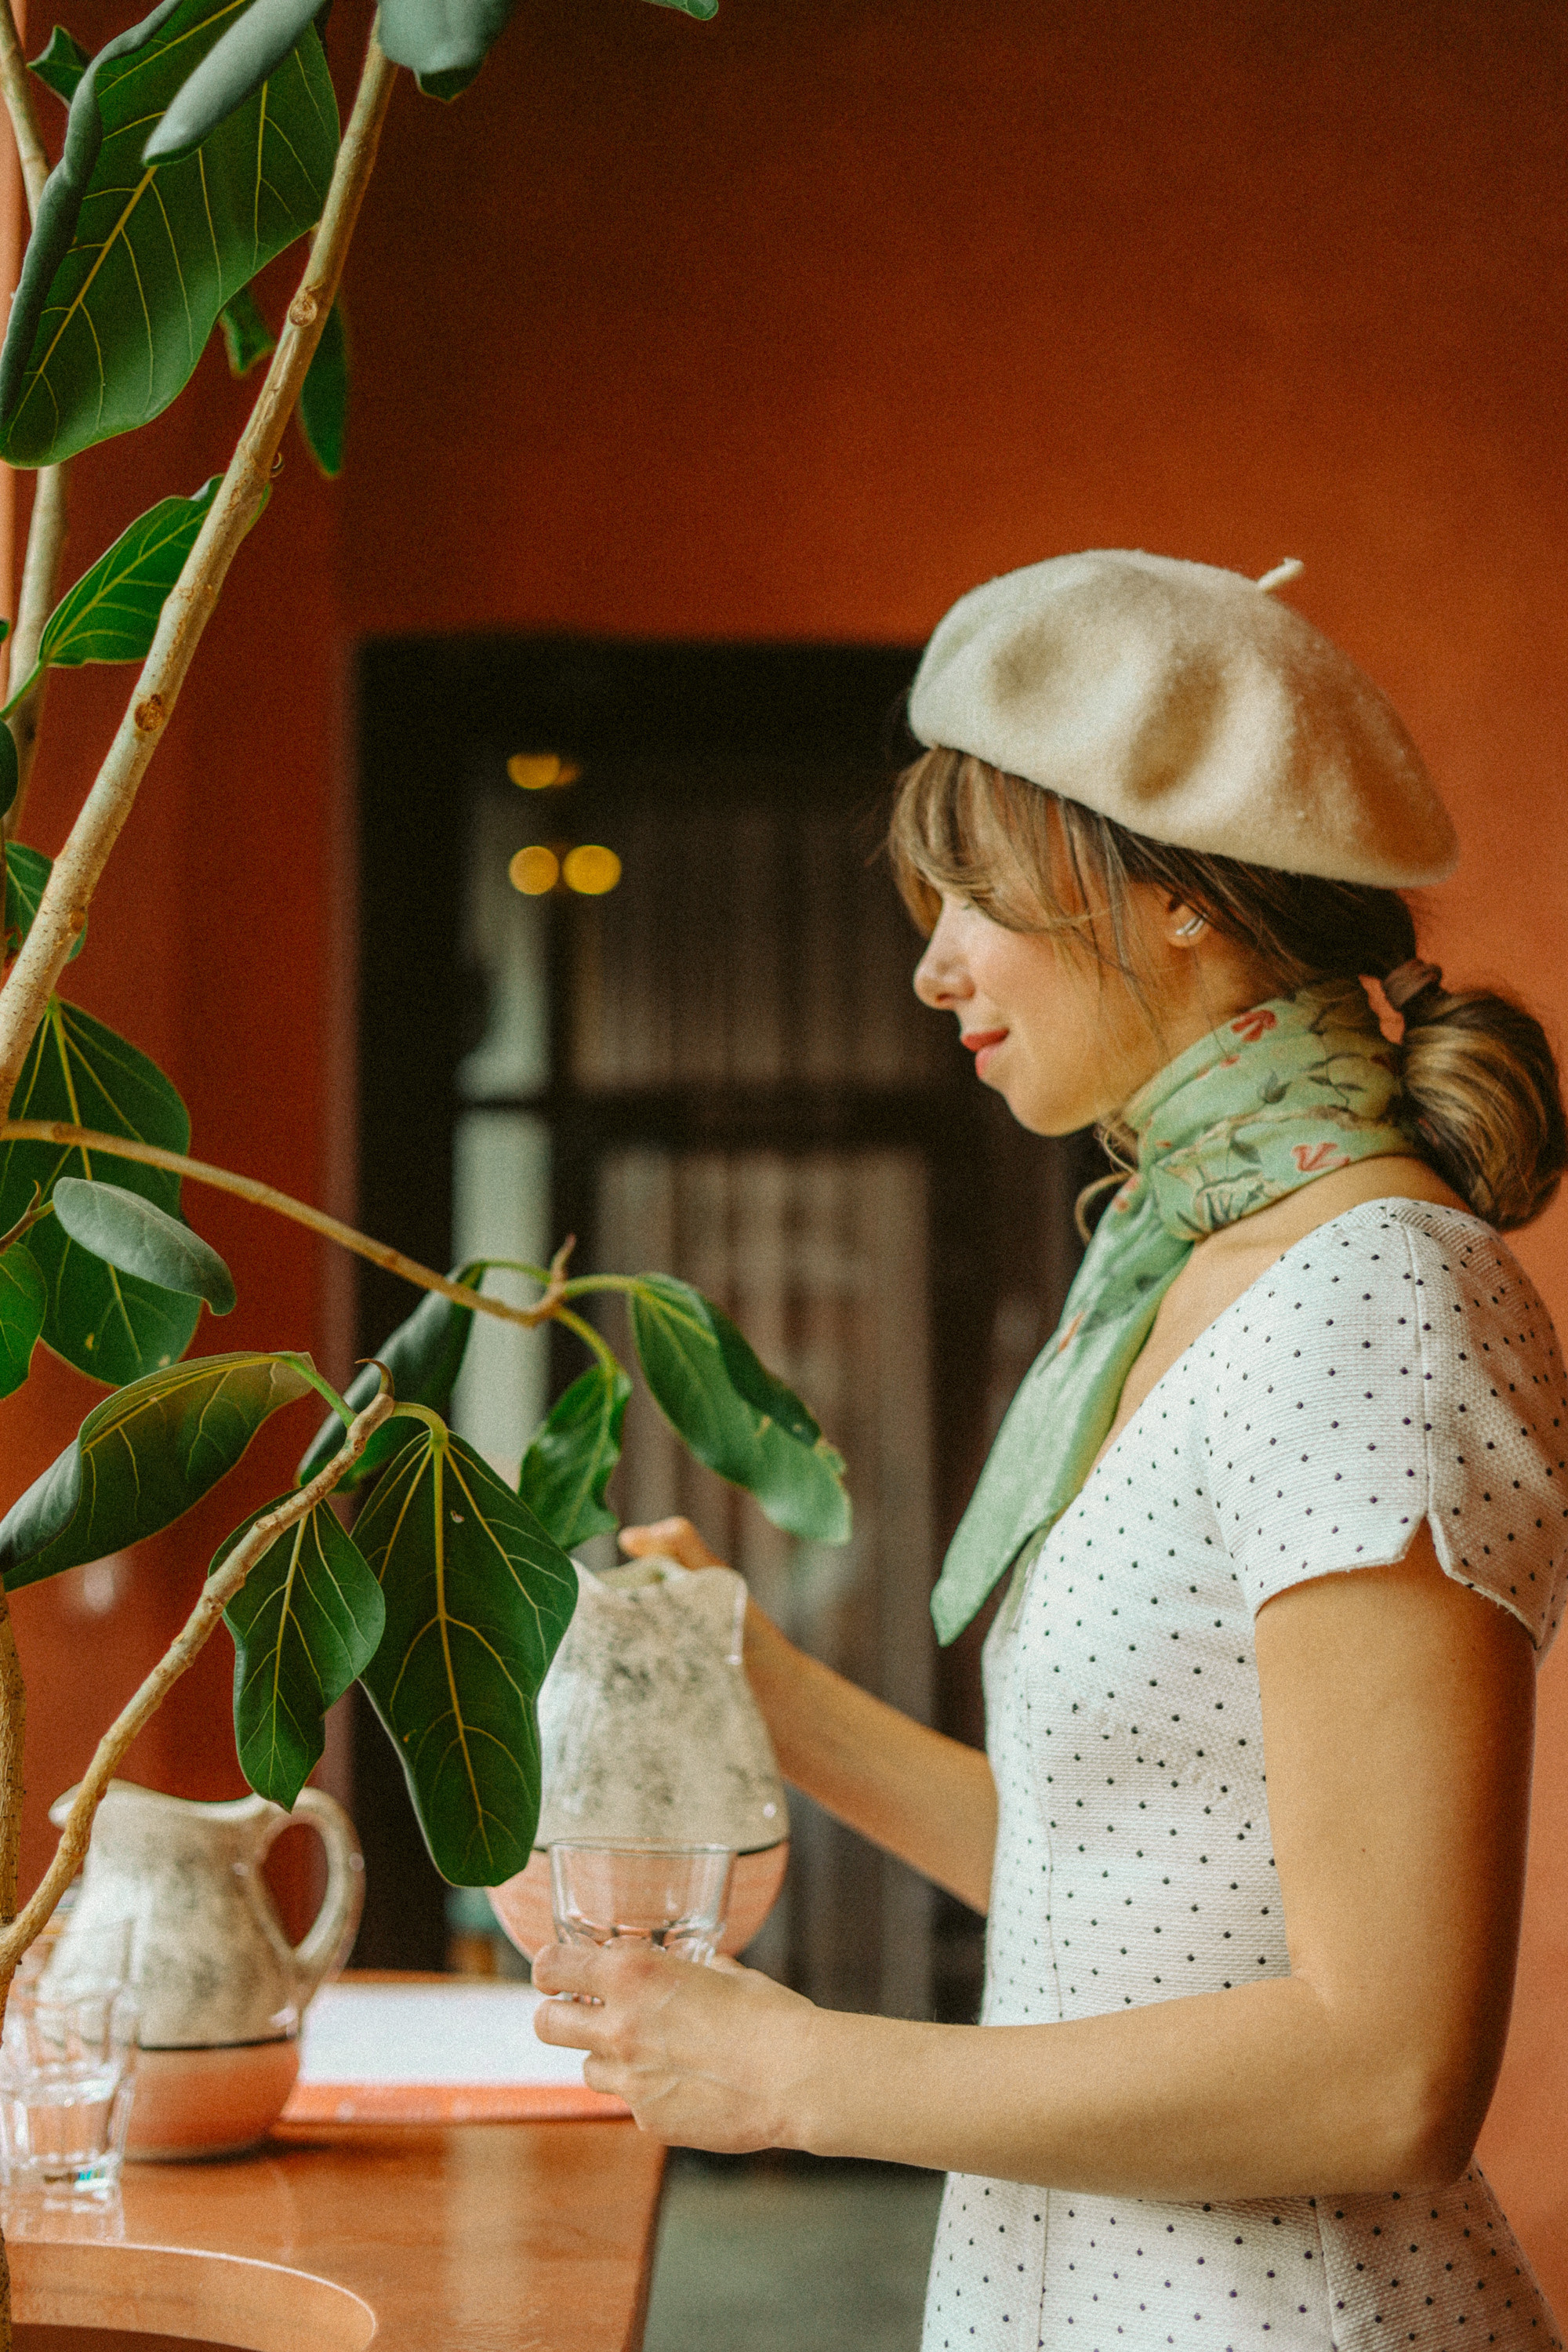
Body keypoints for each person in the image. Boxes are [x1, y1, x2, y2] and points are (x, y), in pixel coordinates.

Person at [534, 550, 1568, 2352]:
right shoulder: (1173, 1273)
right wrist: (752, 1682)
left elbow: (1385, 2067)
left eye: (973, 901)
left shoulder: (1373, 1297)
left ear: (1171, 899)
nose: (929, 969)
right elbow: (1117, 1895)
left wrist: (807, 2078)